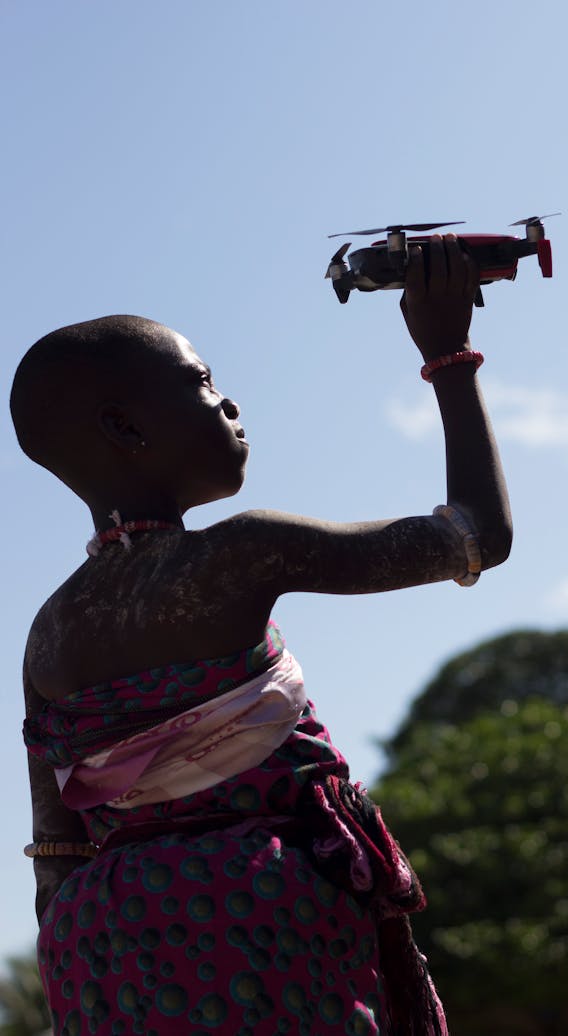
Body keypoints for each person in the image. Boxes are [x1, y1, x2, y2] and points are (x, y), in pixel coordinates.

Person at [12, 234, 512, 1036]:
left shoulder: (47, 634)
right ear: (125, 428)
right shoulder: (240, 554)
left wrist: (100, 971)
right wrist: (449, 355)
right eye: (204, 384)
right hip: (256, 912)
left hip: (103, 946)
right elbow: (476, 535)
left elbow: (57, 854)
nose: (229, 404)